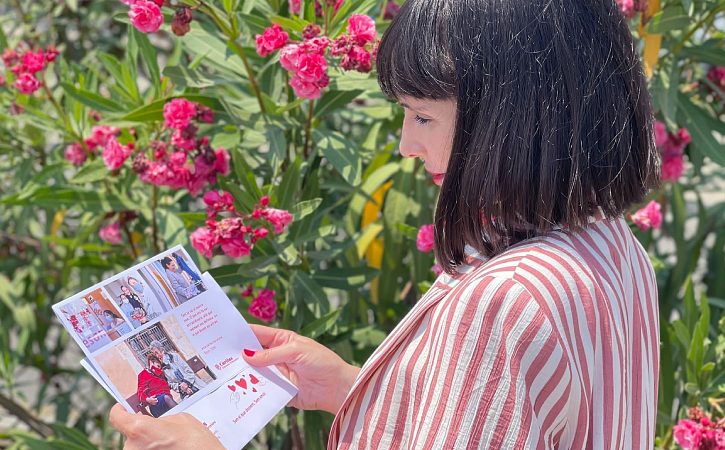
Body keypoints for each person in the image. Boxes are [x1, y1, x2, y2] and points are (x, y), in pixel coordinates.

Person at [110, 0, 660, 448]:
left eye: (422, 116)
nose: (406, 145)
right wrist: (354, 387)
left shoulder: (504, 299)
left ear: (518, 117)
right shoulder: (612, 246)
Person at [136, 353, 178, 418]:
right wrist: (148, 399)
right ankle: (183, 416)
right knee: (166, 398)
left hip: (167, 400)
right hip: (155, 403)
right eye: (158, 366)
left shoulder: (162, 374)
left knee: (167, 398)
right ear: (151, 363)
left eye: (160, 367)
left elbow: (170, 384)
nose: (159, 368)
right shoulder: (143, 374)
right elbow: (140, 392)